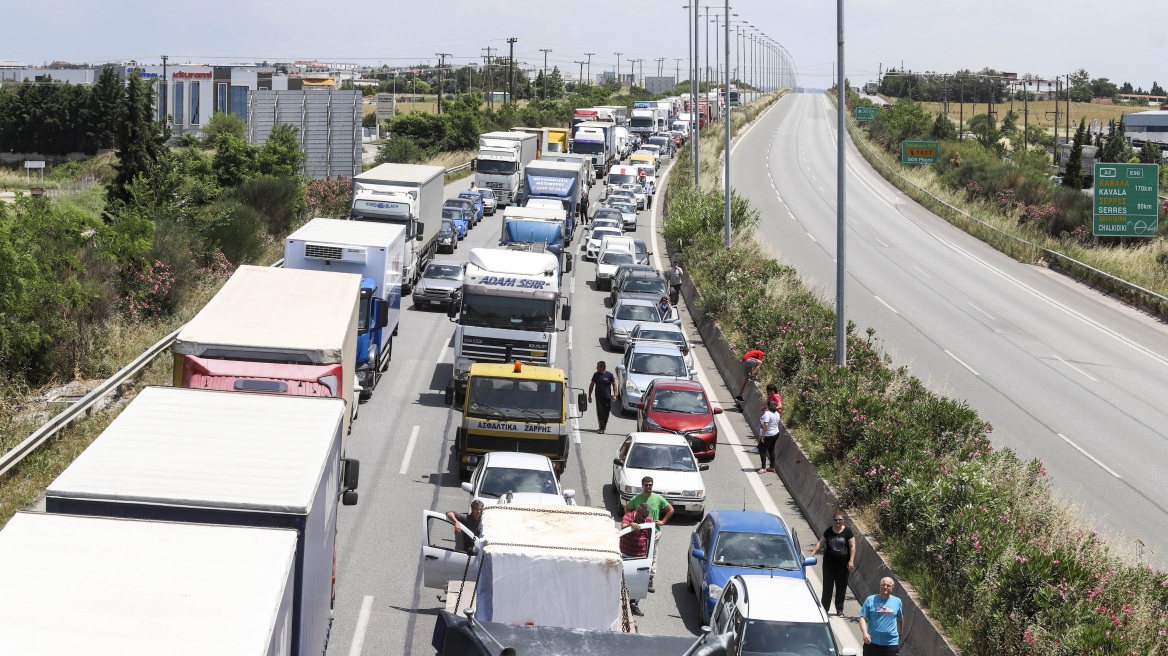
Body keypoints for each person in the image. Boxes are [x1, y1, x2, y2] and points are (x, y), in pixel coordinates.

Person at [626, 476, 674, 594]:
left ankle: (650, 578)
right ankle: (636, 575)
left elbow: (670, 509)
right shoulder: (637, 498)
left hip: (654, 532)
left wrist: (663, 521)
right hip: (640, 532)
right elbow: (627, 508)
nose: (648, 487)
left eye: (650, 484)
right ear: (642, 485)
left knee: (652, 554)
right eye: (646, 485)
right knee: (639, 553)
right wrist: (631, 520)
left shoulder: (658, 498)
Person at [810, 510, 856, 616]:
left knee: (841, 587)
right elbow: (821, 543)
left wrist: (851, 561)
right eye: (836, 520)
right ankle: (824, 609)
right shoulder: (829, 531)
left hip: (843, 566)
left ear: (843, 520)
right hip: (828, 565)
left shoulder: (847, 531)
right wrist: (812, 554)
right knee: (827, 588)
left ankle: (839, 609)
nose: (838, 522)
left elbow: (852, 546)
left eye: (840, 520)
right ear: (833, 520)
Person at [619, 504, 653, 616]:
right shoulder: (629, 516)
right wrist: (631, 525)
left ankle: (634, 605)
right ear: (637, 512)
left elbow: (651, 537)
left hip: (640, 558)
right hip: (626, 556)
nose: (644, 518)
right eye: (642, 515)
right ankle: (620, 601)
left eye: (646, 516)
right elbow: (623, 526)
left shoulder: (648, 521)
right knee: (622, 580)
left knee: (638, 582)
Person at [859, 577, 904, 655]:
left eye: (888, 585)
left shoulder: (897, 601)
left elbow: (900, 619)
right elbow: (862, 617)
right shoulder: (870, 600)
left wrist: (900, 634)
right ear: (880, 586)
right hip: (872, 642)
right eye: (883, 585)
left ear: (892, 588)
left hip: (891, 643)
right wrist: (864, 633)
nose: (885, 587)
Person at [588, 360, 617, 433]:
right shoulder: (596, 375)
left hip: (607, 397)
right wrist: (589, 395)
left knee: (606, 412)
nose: (596, 368)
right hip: (598, 397)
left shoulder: (609, 375)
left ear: (602, 367)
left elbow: (614, 385)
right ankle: (601, 427)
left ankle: (604, 425)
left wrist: (615, 395)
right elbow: (592, 385)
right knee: (600, 412)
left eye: (597, 366)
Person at [757, 400, 781, 474]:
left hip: (768, 434)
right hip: (776, 433)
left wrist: (763, 436)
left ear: (767, 406)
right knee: (771, 449)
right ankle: (772, 467)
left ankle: (763, 467)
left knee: (761, 449)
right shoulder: (777, 413)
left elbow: (766, 425)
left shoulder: (768, 413)